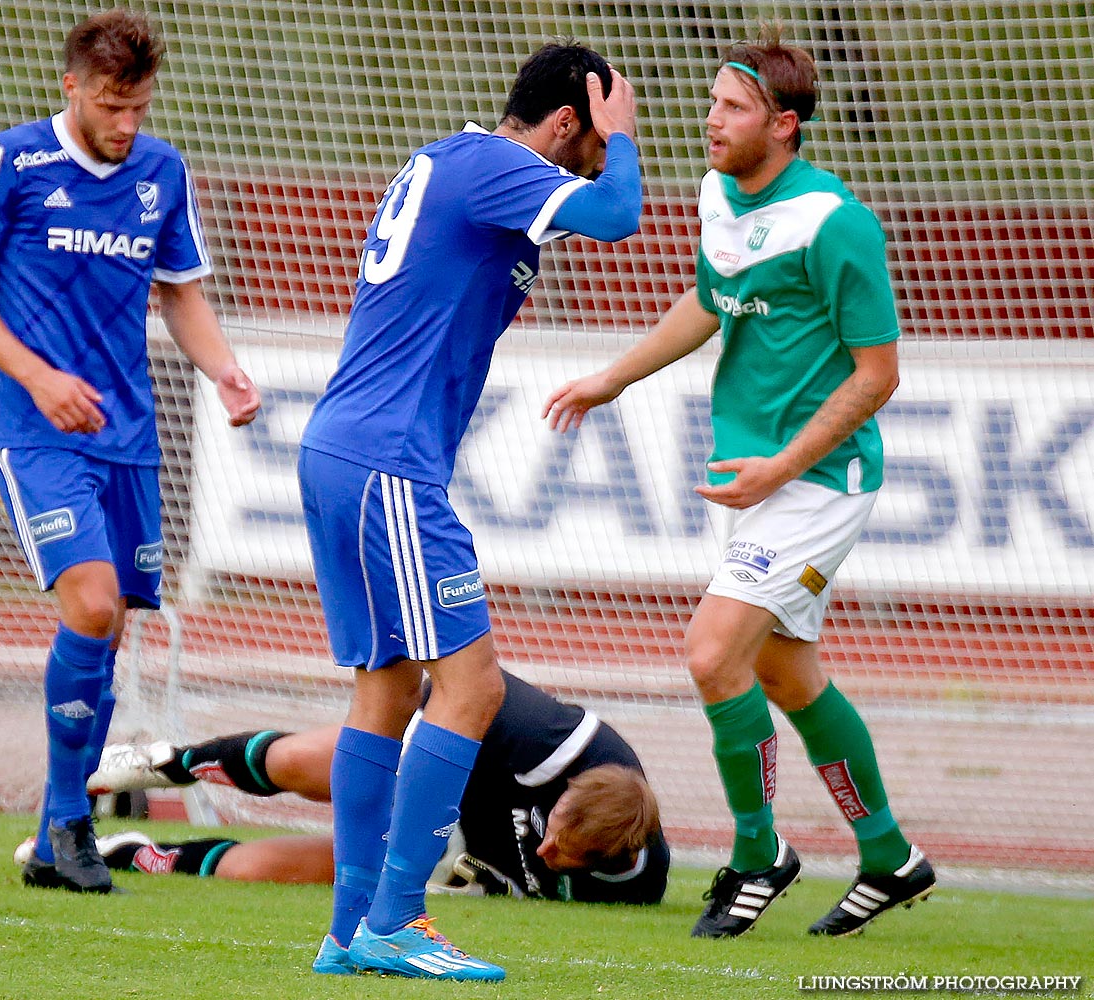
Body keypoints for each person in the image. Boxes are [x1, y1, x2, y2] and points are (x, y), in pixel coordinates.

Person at [543, 24, 935, 939]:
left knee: (713, 655)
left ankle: (757, 854)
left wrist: (782, 467)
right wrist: (611, 377)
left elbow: (877, 376)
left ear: (784, 124)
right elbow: (709, 300)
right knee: (787, 678)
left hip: (818, 480)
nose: (709, 120)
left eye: (731, 108)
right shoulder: (720, 193)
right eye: (713, 102)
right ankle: (888, 857)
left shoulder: (837, 222)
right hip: (751, 479)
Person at [295, 41, 642, 980]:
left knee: (386, 690)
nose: (594, 155)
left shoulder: (450, 162)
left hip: (343, 450)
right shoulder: (501, 166)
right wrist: (628, 137)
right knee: (473, 687)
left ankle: (348, 932)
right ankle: (397, 920)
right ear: (565, 123)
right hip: (388, 465)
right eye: (589, 136)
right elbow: (618, 217)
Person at [0, 9, 260, 894]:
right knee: (88, 603)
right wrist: (38, 377)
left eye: (140, 107)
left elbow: (179, 292)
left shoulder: (161, 171)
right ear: (71, 86)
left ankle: (52, 838)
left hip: (128, 437)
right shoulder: (14, 160)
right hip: (37, 428)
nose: (127, 125)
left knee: (112, 625)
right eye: (113, 105)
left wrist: (226, 371)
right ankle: (72, 817)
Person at [77, 668, 670, 905]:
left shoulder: (629, 887)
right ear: (563, 791)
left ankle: (137, 854)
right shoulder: (551, 737)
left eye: (563, 855)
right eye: (553, 829)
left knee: (309, 869)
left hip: (465, 856)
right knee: (331, 765)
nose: (546, 850)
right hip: (446, 764)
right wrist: (402, 811)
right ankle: (168, 762)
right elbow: (450, 692)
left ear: (609, 858)